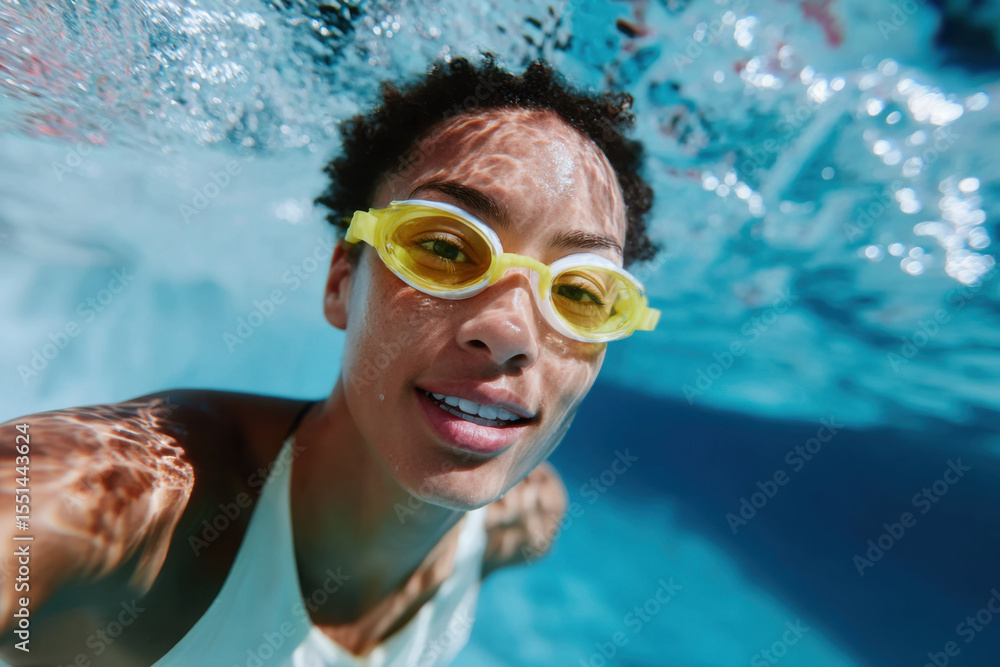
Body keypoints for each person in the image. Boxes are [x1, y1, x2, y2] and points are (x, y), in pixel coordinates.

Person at [0, 54, 659, 666]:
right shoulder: (124, 504)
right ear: (343, 279)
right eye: (446, 248)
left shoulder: (523, 518)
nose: (510, 330)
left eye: (579, 292)